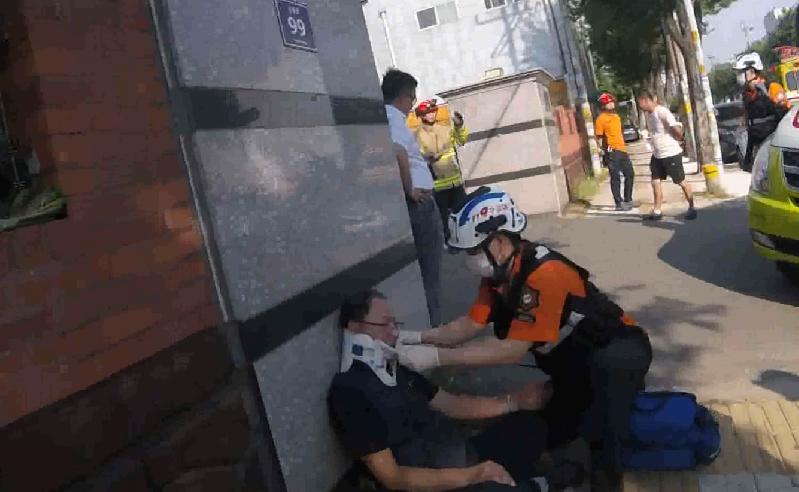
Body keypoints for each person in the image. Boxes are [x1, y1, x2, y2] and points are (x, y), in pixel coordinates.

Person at [395, 187, 652, 491]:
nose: (470, 259)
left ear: (499, 242)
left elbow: (512, 350)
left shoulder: (546, 274)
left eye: (473, 251)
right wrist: (416, 338)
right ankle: (563, 465)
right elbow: (468, 325)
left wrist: (436, 358)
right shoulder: (497, 277)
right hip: (575, 366)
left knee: (604, 431)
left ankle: (607, 477)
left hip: (619, 352)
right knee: (540, 426)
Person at [328, 290, 586, 492]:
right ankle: (541, 485)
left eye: (395, 323)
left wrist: (514, 401)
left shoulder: (396, 371)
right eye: (385, 324)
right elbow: (393, 478)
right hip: (435, 484)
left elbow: (451, 404)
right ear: (355, 327)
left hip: (461, 456)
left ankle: (514, 481)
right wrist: (473, 475)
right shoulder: (350, 393)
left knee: (531, 428)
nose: (394, 332)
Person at [383, 69, 444, 326]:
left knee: (426, 270)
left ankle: (430, 324)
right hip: (418, 203)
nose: (412, 104)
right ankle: (434, 328)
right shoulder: (393, 117)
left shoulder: (386, 118)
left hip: (415, 200)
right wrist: (410, 189)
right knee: (430, 270)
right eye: (412, 98)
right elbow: (398, 152)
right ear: (402, 97)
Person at [413, 99, 470, 241]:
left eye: (433, 111)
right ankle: (448, 242)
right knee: (443, 220)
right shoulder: (417, 135)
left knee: (464, 214)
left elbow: (461, 140)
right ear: (421, 115)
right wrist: (427, 159)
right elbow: (416, 159)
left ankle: (466, 240)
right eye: (428, 113)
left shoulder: (445, 128)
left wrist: (459, 126)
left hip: (455, 182)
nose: (431, 115)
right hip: (437, 186)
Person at [636, 91, 697, 221]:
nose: (640, 106)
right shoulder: (649, 115)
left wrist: (681, 139)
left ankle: (692, 208)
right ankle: (657, 211)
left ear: (647, 101)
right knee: (655, 181)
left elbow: (675, 127)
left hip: (670, 153)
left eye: (640, 103)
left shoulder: (662, 112)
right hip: (657, 154)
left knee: (681, 181)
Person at [734, 52, 791, 172]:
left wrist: (764, 95)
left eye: (741, 72)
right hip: (758, 146)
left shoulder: (772, 88)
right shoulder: (747, 95)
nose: (739, 76)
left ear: (751, 72)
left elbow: (784, 115)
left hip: (773, 143)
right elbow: (750, 127)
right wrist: (748, 157)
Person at [594, 93, 635, 211]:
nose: (612, 104)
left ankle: (628, 199)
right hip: (611, 150)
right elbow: (599, 137)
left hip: (622, 149)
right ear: (603, 105)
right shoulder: (601, 119)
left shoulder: (616, 117)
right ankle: (618, 202)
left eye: (612, 102)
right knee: (615, 177)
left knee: (630, 174)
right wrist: (604, 151)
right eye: (609, 102)